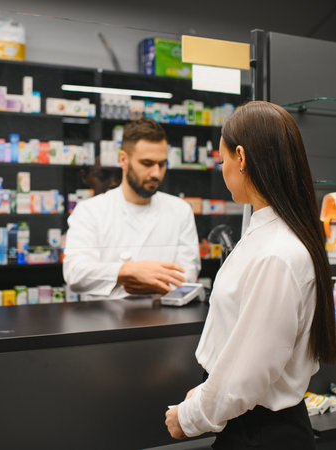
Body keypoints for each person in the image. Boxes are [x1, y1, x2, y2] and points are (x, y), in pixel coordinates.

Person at [165, 101, 336, 449]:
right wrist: (205, 392)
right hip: (251, 421)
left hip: (261, 433)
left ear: (240, 158)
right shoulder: (269, 234)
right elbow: (246, 350)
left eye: (222, 159)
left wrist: (188, 417)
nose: (222, 167)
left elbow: (248, 374)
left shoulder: (277, 253)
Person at [63, 117, 201, 300]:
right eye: (147, 163)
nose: (156, 173)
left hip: (165, 320)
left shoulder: (180, 210)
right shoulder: (90, 211)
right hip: (104, 322)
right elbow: (75, 273)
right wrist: (126, 271)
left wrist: (147, 284)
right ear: (123, 159)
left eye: (162, 164)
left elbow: (187, 275)